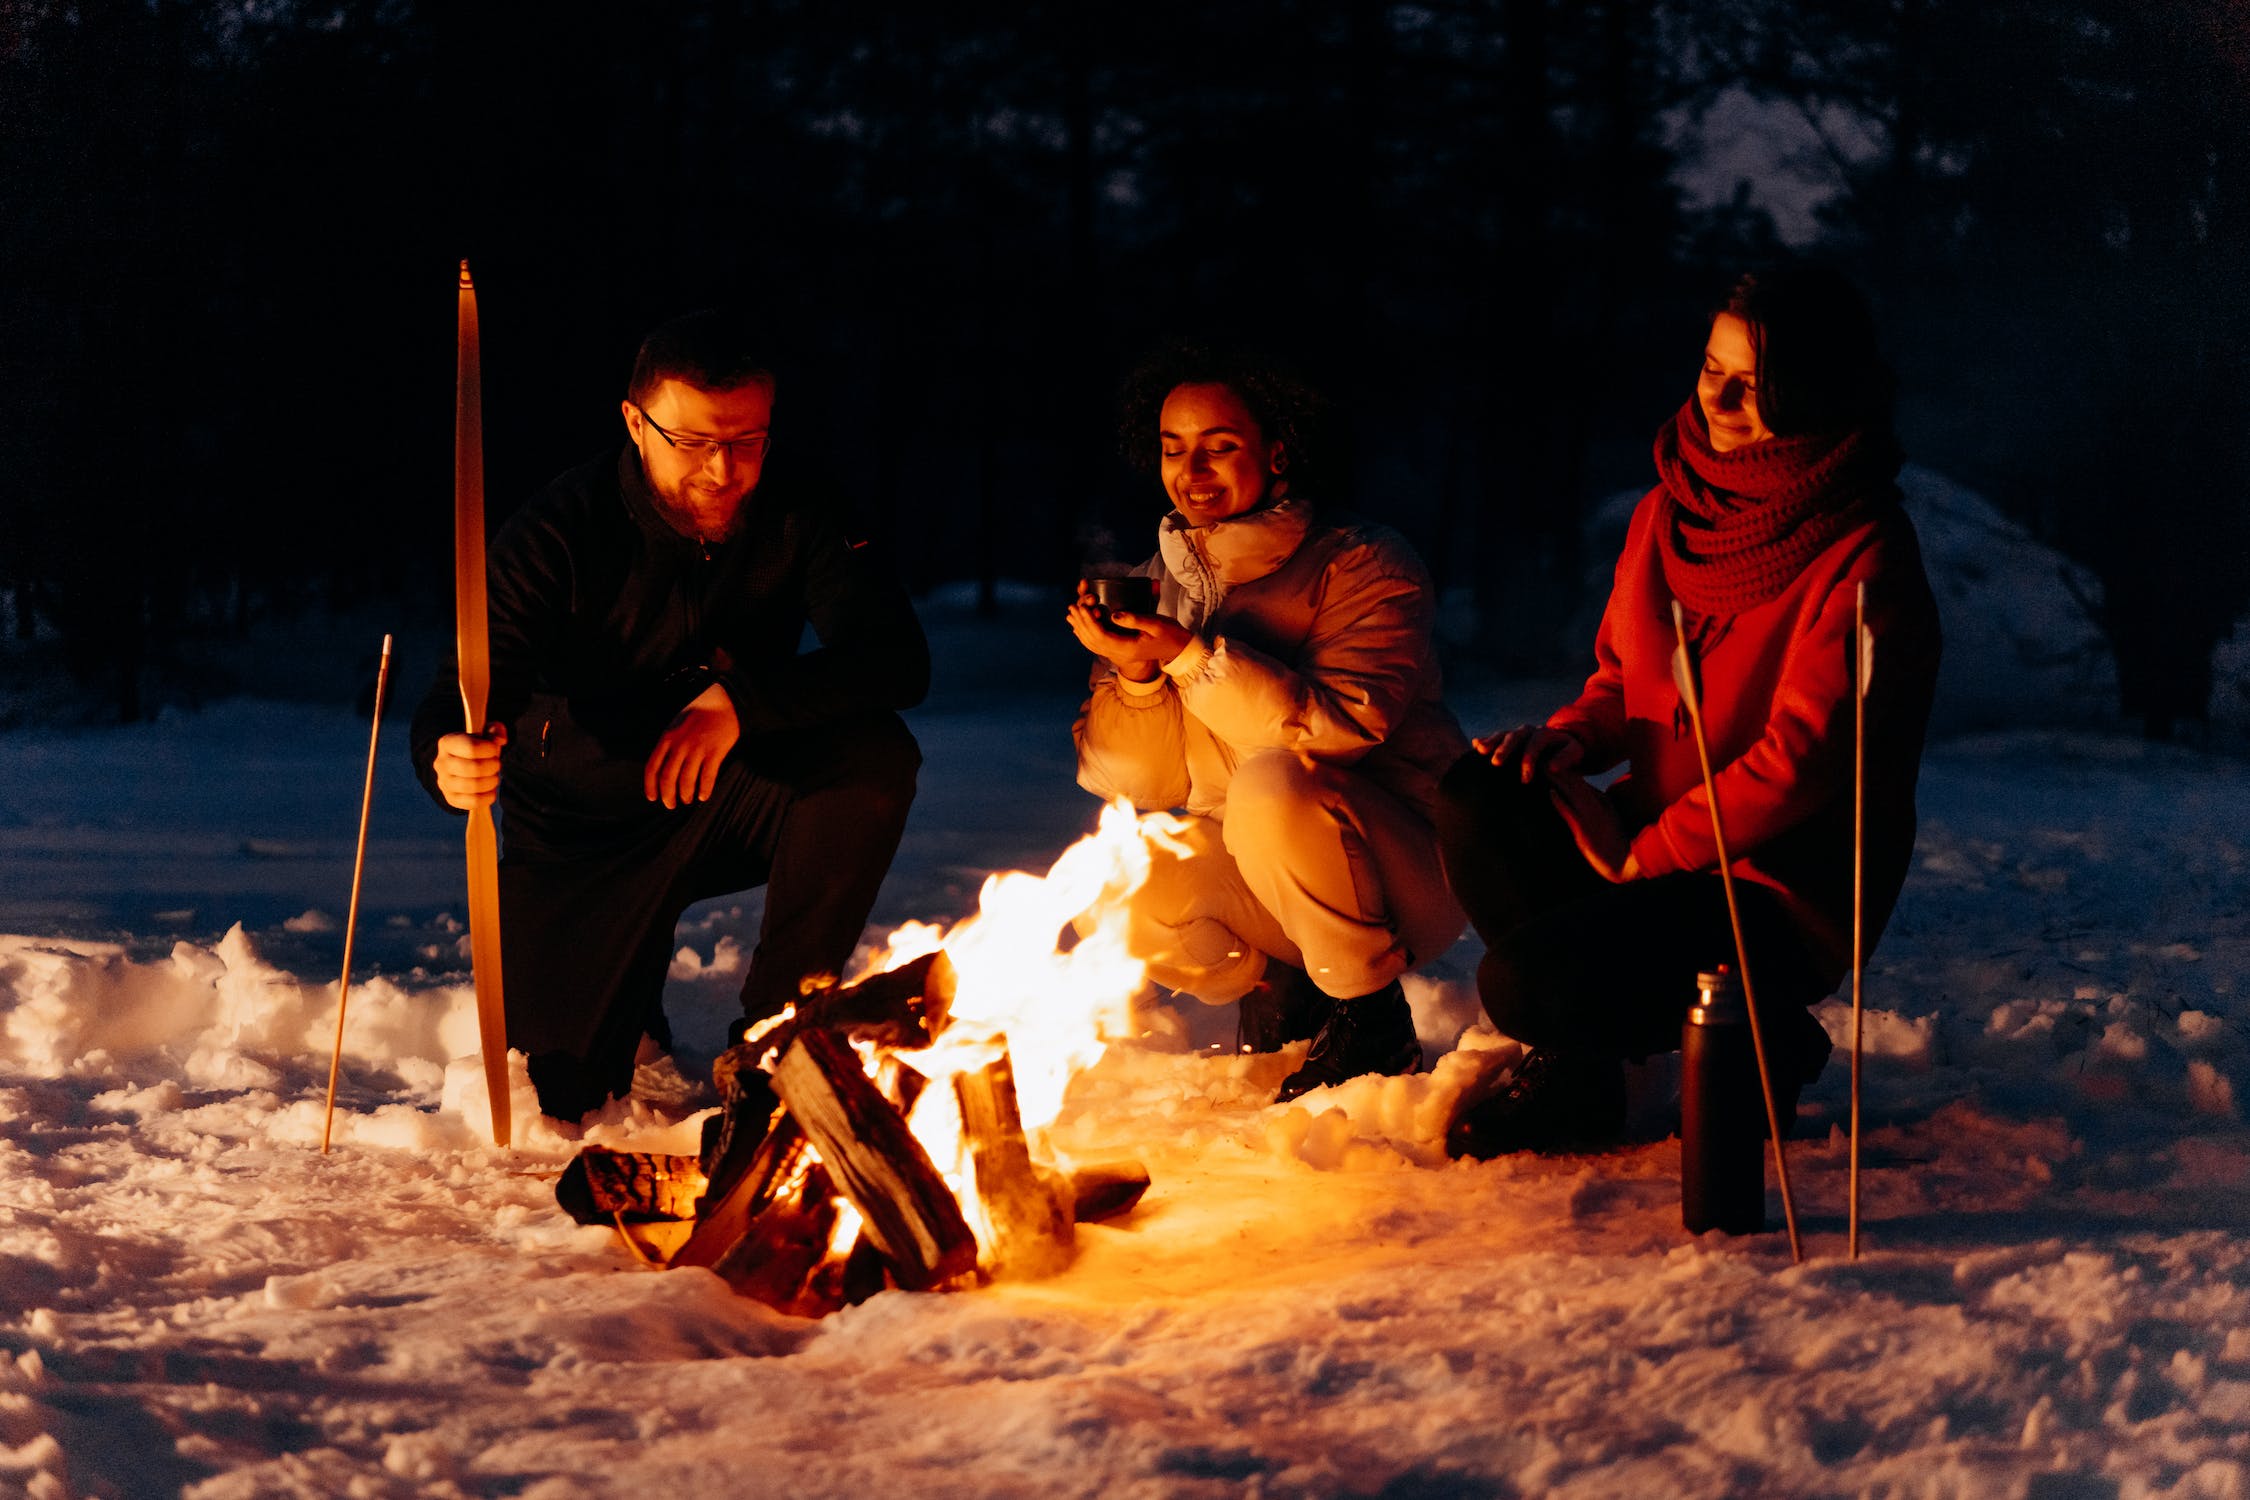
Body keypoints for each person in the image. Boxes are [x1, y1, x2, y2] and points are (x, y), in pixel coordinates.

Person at [1436, 265, 1941, 1158]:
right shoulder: (1669, 512)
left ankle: (1766, 1029)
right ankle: (1580, 1080)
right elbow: (1621, 679)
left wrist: (1643, 855)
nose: (1725, 398)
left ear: (1816, 388)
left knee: (1520, 983)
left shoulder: (1865, 552)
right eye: (1714, 369)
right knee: (1482, 793)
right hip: (1658, 840)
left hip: (1776, 891)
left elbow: (1800, 761)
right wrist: (1565, 744)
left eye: (1758, 382)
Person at [410, 309, 928, 1121]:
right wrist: (445, 756)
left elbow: (896, 660)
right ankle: (621, 982)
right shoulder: (555, 533)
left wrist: (741, 704)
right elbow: (461, 694)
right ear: (635, 423)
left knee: (872, 758)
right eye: (692, 442)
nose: (722, 470)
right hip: (585, 828)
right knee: (560, 1097)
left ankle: (777, 1040)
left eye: (747, 440)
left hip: (728, 792)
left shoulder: (802, 505)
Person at [1067, 344, 1467, 1103]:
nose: (1194, 472)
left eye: (1220, 447)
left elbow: (1344, 727)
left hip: (1401, 867)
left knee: (1271, 784)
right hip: (1262, 870)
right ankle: (1289, 987)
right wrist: (1137, 675)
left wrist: (1190, 658)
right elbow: (1138, 782)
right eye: (1173, 449)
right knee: (1113, 886)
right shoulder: (1160, 585)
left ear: (1277, 453)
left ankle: (1370, 1017)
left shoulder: (1364, 563)